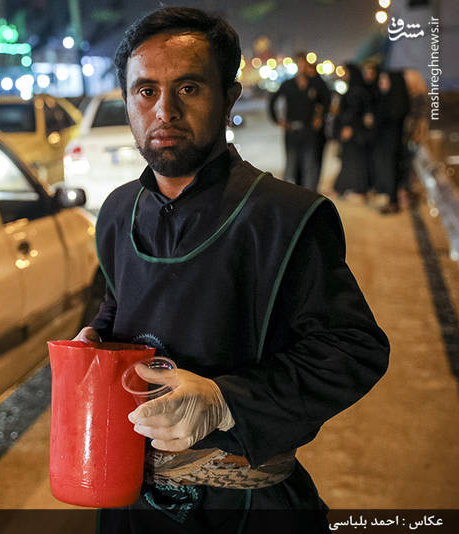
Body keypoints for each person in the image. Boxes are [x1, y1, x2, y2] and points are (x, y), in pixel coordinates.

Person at [73, 7, 389, 533]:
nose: (164, 110)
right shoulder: (116, 212)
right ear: (127, 100)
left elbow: (353, 351)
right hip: (130, 500)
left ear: (229, 98)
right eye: (145, 91)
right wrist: (96, 344)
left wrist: (224, 402)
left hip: (244, 507)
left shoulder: (286, 217)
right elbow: (117, 305)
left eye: (189, 88)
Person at [268, 52, 328, 191]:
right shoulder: (288, 84)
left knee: (309, 165)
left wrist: (320, 117)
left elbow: (326, 101)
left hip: (310, 132)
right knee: (291, 165)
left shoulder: (316, 83)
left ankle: (310, 197)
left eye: (304, 64)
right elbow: (272, 101)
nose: (302, 67)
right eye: (299, 64)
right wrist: (277, 120)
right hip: (292, 131)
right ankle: (291, 195)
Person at [332, 64, 374, 199]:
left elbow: (355, 112)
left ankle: (358, 189)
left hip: (354, 134)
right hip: (352, 133)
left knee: (355, 161)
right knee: (349, 160)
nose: (343, 75)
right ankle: (344, 188)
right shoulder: (353, 89)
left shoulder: (357, 91)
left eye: (345, 73)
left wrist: (349, 128)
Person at [372, 70, 410, 214]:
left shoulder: (397, 101)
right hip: (386, 142)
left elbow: (390, 118)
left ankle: (393, 202)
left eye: (384, 80)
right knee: (388, 170)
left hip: (392, 143)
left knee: (392, 171)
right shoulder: (385, 98)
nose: (381, 83)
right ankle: (391, 200)